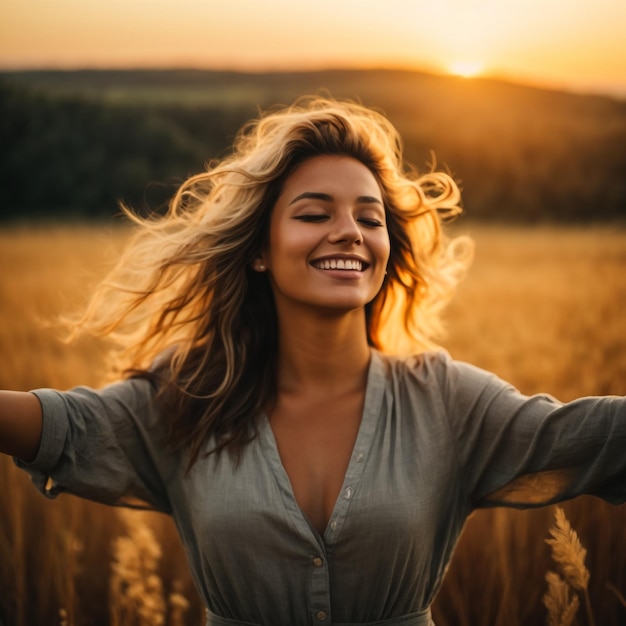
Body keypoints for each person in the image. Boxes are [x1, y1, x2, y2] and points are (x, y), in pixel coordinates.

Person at [0, 96, 624, 626]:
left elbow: (593, 439)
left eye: (369, 218)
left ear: (385, 248)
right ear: (259, 251)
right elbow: (63, 428)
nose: (350, 231)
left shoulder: (447, 402)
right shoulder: (189, 396)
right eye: (314, 214)